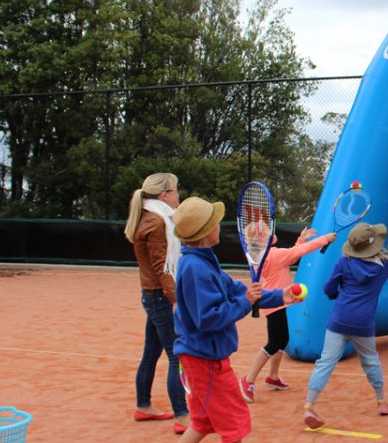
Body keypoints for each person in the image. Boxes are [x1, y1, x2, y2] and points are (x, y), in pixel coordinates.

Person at [171, 197, 303, 443]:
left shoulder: (204, 261)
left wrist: (280, 296)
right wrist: (245, 303)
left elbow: (239, 292)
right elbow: (209, 318)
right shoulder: (195, 268)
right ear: (205, 232)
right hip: (205, 361)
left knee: (203, 422)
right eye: (216, 222)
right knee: (234, 425)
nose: (220, 226)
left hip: (202, 357)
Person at [301, 222, 388, 429]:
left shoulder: (344, 263)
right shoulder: (384, 266)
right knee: (370, 360)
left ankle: (309, 404)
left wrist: (336, 295)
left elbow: (329, 288)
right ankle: (381, 401)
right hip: (363, 325)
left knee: (325, 362)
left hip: (339, 321)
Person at [239, 225, 337, 403]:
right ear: (262, 239)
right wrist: (325, 239)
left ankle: (273, 377)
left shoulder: (263, 255)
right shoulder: (275, 254)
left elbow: (292, 254)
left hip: (275, 302)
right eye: (268, 230)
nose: (271, 230)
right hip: (275, 303)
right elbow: (300, 251)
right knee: (274, 343)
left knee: (282, 340)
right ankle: (248, 380)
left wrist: (301, 239)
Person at [124, 172, 189, 434]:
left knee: (151, 352)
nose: (178, 195)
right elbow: (162, 267)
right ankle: (182, 415)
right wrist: (175, 300)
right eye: (175, 190)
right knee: (177, 356)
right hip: (160, 297)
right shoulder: (157, 222)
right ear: (164, 195)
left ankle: (143, 405)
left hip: (153, 295)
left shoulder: (151, 217)